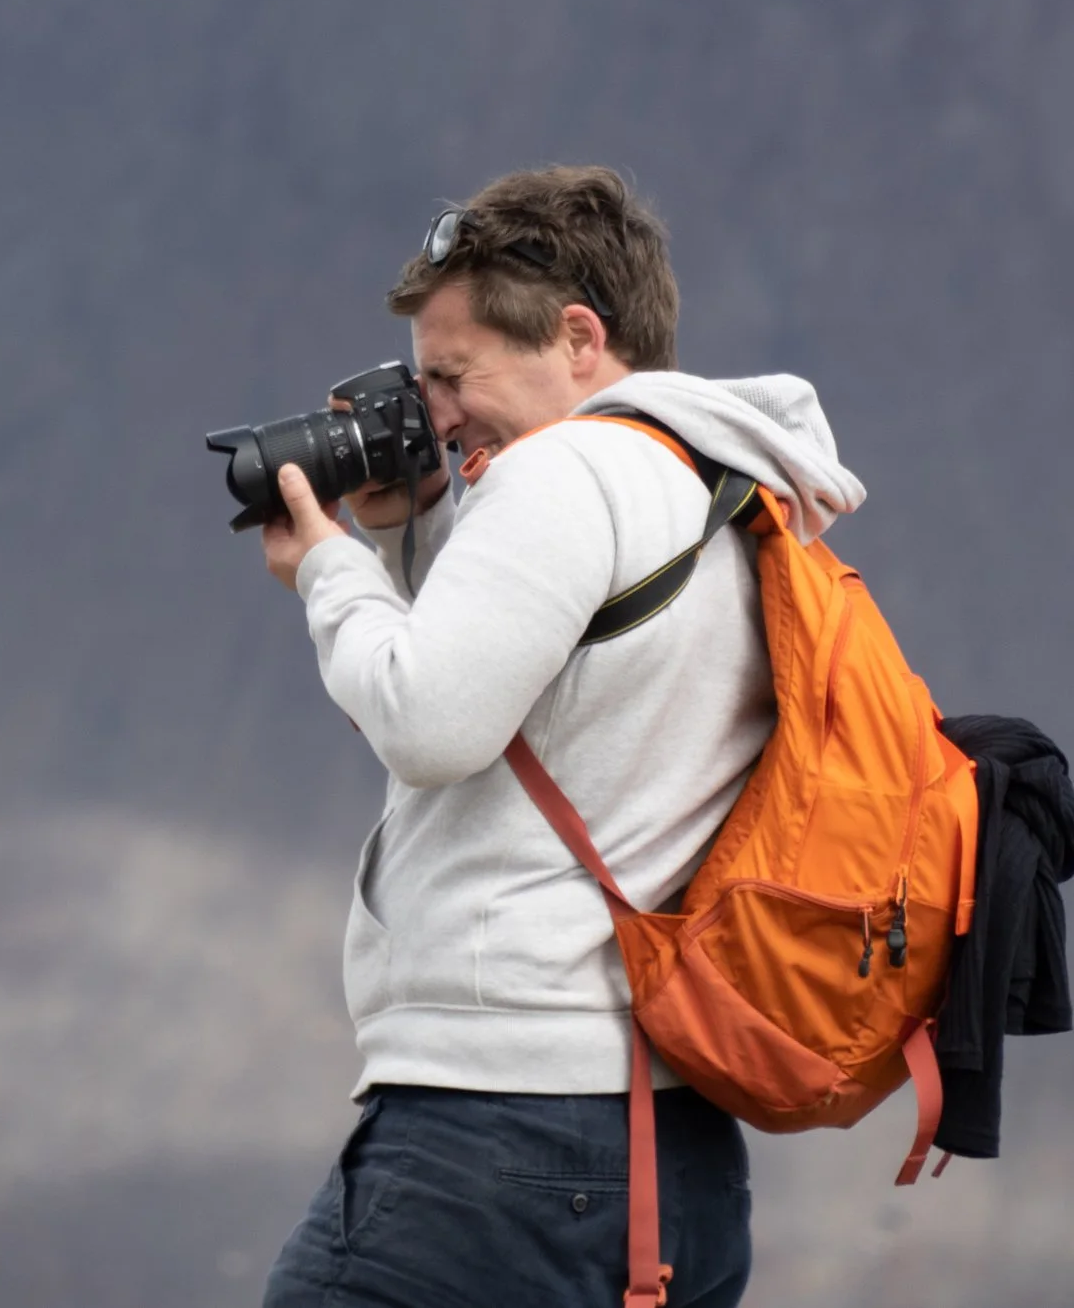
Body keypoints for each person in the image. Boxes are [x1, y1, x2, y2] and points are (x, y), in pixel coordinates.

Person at [255, 164, 868, 1308]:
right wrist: (407, 538)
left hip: (500, 1130)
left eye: (452, 375)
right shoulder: (719, 488)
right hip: (669, 1156)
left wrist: (328, 571)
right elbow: (540, 697)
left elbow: (431, 723)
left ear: (579, 337)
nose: (435, 414)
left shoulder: (564, 471)